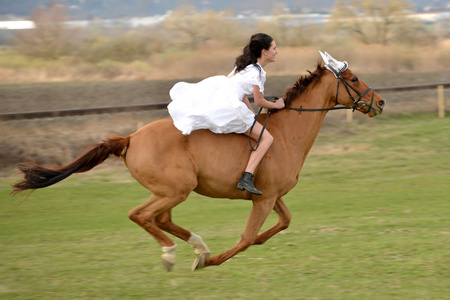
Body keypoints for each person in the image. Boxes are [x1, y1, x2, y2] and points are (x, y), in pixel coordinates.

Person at [168, 33, 285, 195]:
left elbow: (242, 93)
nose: (277, 51)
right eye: (274, 48)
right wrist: (276, 105)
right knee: (267, 138)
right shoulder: (258, 73)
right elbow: (260, 102)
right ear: (264, 51)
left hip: (223, 99)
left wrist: (250, 114)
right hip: (229, 107)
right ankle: (247, 177)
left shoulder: (245, 67)